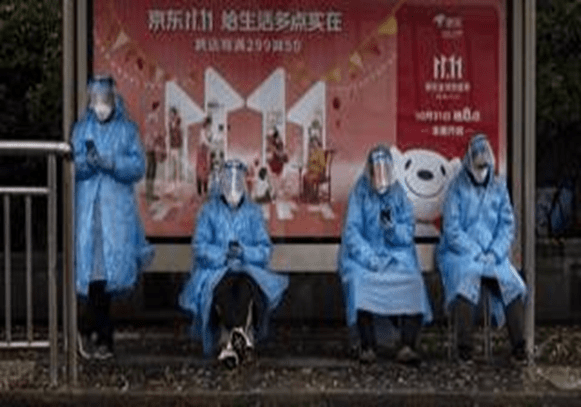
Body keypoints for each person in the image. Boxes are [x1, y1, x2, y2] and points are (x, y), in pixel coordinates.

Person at [72, 76, 154, 360]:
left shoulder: (127, 130)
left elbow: (138, 166)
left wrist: (110, 163)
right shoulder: (82, 129)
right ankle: (99, 335)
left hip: (116, 214)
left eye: (104, 100)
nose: (101, 106)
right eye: (96, 100)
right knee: (95, 275)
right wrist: (88, 162)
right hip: (89, 214)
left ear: (113, 100)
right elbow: (72, 164)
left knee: (106, 276)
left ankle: (93, 332)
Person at [179, 159, 288, 369]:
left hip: (248, 269)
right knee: (222, 289)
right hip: (216, 271)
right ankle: (240, 338)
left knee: (247, 288)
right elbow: (199, 246)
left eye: (237, 182)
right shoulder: (209, 211)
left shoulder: (253, 212)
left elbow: (264, 249)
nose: (232, 187)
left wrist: (244, 252)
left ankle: (232, 342)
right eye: (228, 181)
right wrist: (223, 254)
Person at [338, 145, 432, 364]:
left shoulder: (398, 193)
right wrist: (370, 258)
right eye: (376, 171)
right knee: (359, 283)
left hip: (395, 256)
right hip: (365, 257)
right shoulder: (360, 193)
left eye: (385, 171)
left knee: (413, 282)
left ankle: (408, 345)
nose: (381, 178)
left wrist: (392, 229)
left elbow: (407, 232)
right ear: (369, 171)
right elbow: (352, 232)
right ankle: (367, 345)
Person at [437, 134, 527, 362]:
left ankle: (519, 347)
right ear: (468, 162)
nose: (481, 171)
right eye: (477, 166)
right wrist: (475, 251)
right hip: (461, 254)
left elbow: (507, 226)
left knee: (511, 284)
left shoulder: (499, 187)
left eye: (484, 166)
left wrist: (495, 252)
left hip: (493, 256)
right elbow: (452, 229)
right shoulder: (456, 188)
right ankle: (464, 348)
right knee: (465, 281)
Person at [144, 101, 164, 204]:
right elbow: (152, 131)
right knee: (151, 169)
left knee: (152, 168)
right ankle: (149, 194)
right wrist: (157, 136)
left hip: (151, 145)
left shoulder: (152, 117)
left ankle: (150, 193)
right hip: (151, 146)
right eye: (159, 108)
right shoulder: (152, 117)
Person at [302, 135, 326, 203]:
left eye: (314, 143)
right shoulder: (313, 152)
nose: (313, 144)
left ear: (317, 143)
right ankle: (307, 195)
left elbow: (322, 164)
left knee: (309, 178)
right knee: (304, 176)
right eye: (312, 143)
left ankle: (313, 197)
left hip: (319, 172)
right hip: (312, 171)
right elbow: (309, 163)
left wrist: (314, 163)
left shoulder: (320, 151)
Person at [196, 117, 212, 196]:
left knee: (205, 170)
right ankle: (201, 189)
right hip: (202, 151)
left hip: (204, 151)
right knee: (201, 170)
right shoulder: (203, 131)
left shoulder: (206, 131)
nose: (209, 126)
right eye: (208, 124)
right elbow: (204, 141)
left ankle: (204, 189)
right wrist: (209, 144)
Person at [168, 106, 182, 192]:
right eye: (170, 114)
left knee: (176, 164)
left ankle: (176, 182)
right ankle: (172, 183)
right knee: (171, 164)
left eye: (172, 113)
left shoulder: (177, 122)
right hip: (171, 145)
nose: (171, 115)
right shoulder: (170, 123)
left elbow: (179, 120)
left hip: (176, 146)